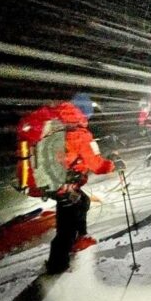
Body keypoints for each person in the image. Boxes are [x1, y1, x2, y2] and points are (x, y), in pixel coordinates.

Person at [45, 93, 116, 274]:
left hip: (58, 180)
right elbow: (96, 165)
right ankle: (57, 266)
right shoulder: (79, 133)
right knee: (66, 228)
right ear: (85, 112)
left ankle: (80, 238)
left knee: (82, 202)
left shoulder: (59, 124)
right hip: (65, 185)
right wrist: (113, 164)